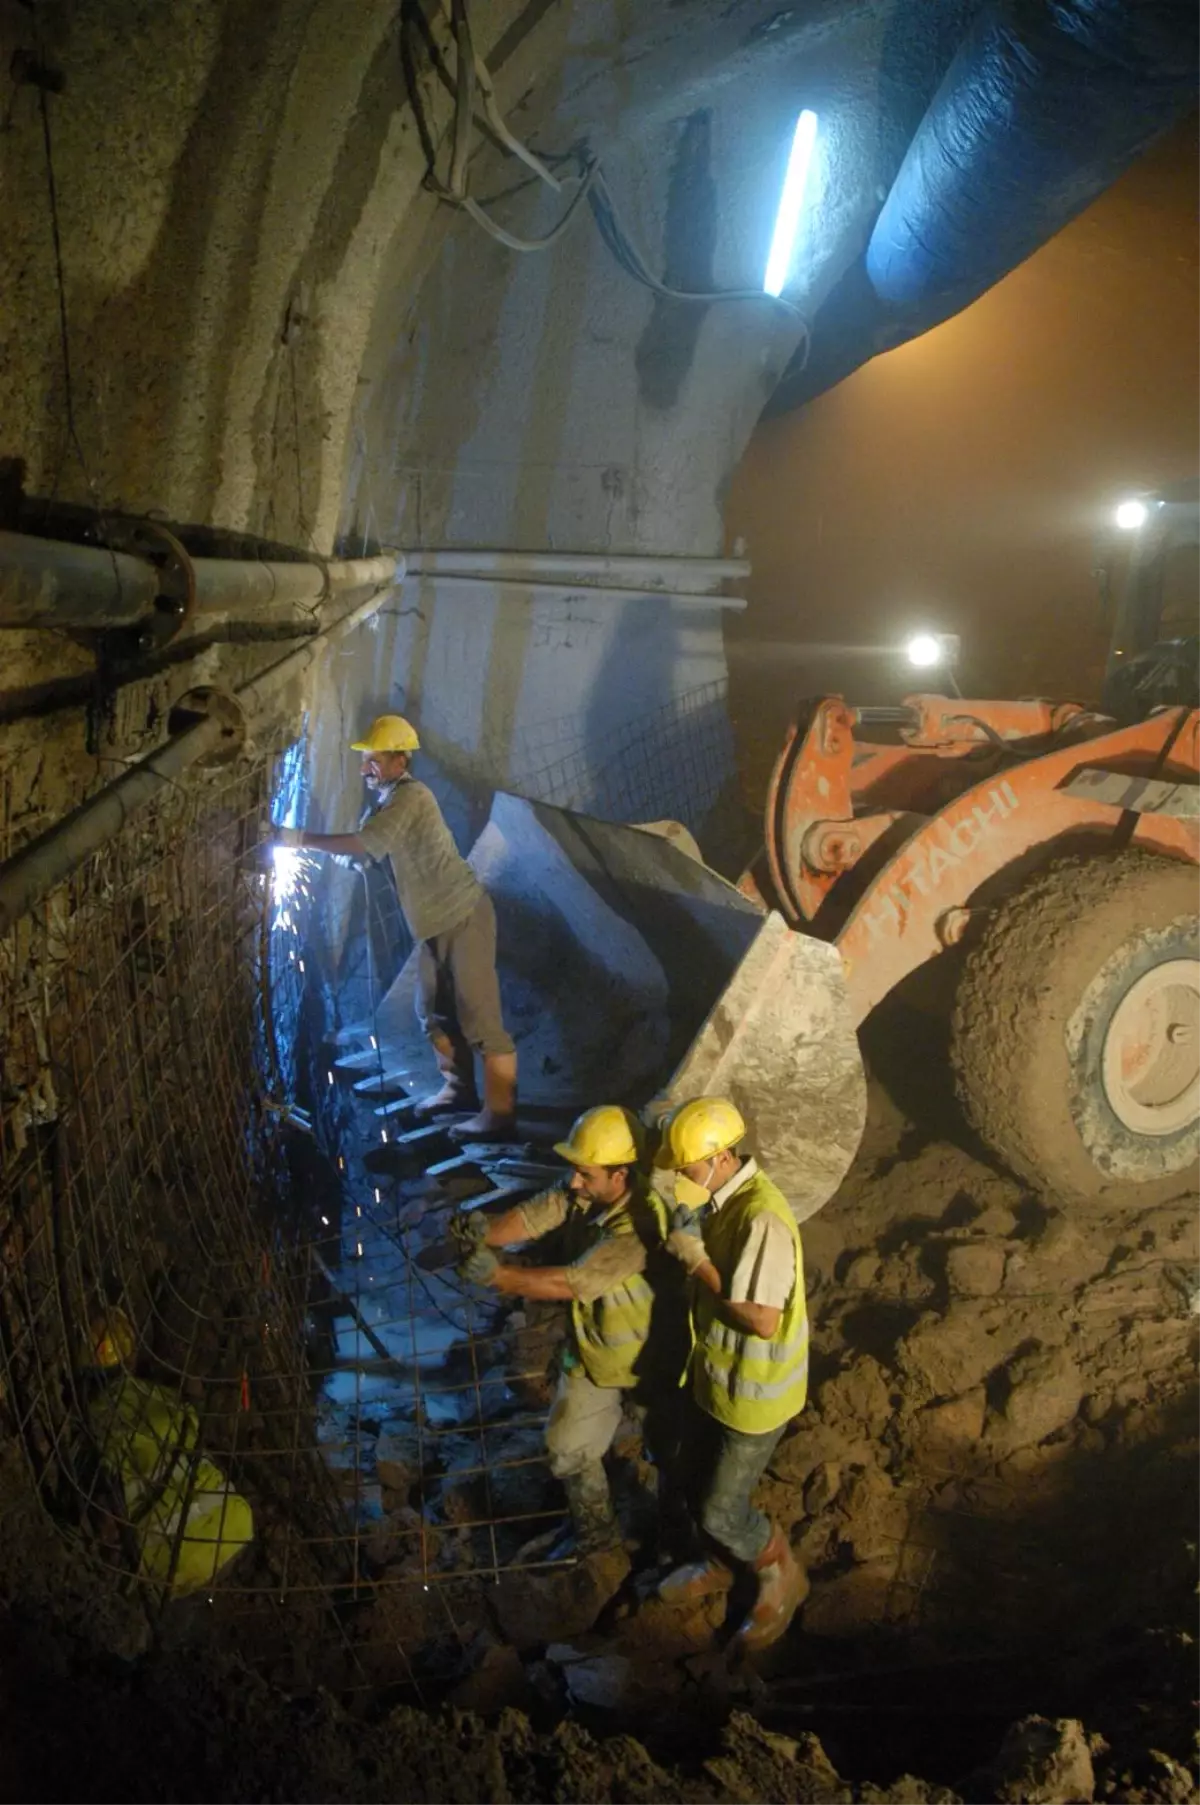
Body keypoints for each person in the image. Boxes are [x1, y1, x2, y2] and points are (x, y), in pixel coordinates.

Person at [456, 1105, 685, 1559]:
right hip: (596, 1352)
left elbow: (573, 1282)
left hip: (654, 1360)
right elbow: (539, 1212)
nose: (575, 1181)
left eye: (585, 1173)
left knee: (670, 1454)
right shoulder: (590, 1192)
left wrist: (496, 1277)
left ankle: (677, 1539)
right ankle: (597, 1537)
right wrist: (486, 1233)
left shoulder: (640, 1225)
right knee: (567, 1448)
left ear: (620, 1174)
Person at [274, 713, 517, 1139]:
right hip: (432, 925)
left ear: (400, 762)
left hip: (463, 917)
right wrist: (358, 854)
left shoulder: (411, 797)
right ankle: (459, 1092)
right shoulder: (386, 803)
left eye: (375, 759)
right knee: (433, 1014)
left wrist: (294, 838)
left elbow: (365, 843)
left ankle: (499, 1116)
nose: (366, 767)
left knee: (479, 1018)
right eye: (365, 759)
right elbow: (369, 845)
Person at [652, 1095, 808, 1652]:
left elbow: (762, 1319)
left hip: (755, 1396)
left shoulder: (760, 1216)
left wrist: (696, 1262)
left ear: (719, 1157)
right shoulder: (726, 1198)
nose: (680, 1177)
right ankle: (720, 1563)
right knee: (693, 1482)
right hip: (718, 1379)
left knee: (722, 1508)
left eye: (687, 1167)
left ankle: (780, 1573)